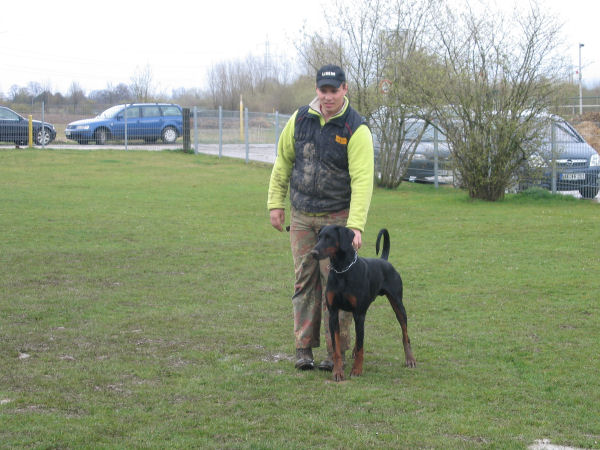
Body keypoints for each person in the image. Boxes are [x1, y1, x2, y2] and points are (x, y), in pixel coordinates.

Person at [267, 64, 374, 371]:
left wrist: (354, 227)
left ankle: (335, 352)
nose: (328, 97)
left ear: (345, 89)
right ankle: (303, 348)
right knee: (304, 281)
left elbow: (363, 180)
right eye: (323, 91)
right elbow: (283, 161)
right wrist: (276, 203)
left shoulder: (356, 128)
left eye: (334, 91)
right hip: (301, 215)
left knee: (338, 283)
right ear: (317, 90)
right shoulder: (300, 120)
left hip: (337, 220)